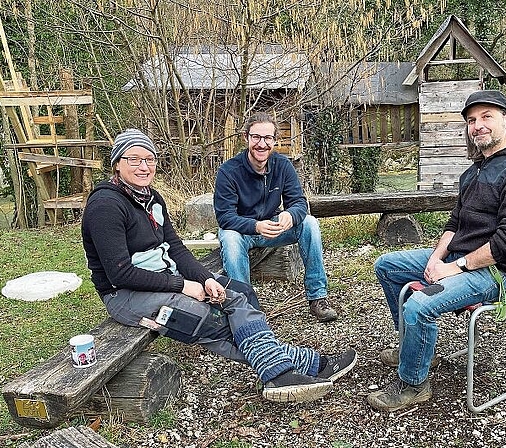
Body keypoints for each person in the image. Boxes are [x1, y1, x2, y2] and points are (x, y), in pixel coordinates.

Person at [81, 128, 357, 403]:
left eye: (150, 159)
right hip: (126, 295)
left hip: (166, 276)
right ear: (117, 163)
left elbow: (175, 248)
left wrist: (205, 279)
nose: (144, 167)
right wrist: (184, 286)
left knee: (237, 294)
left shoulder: (151, 198)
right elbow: (120, 273)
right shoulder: (106, 205)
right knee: (213, 320)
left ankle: (284, 372)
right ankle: (304, 366)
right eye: (134, 160)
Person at [368, 90, 506, 412]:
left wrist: (454, 268)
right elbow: (454, 223)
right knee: (387, 265)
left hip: (500, 273)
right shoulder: (475, 170)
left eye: (486, 117)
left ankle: (414, 383)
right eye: (471, 120)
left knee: (418, 306)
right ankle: (415, 347)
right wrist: (436, 258)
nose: (477, 125)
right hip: (461, 260)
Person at [213, 112, 337, 323]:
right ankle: (245, 308)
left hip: (272, 226)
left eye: (267, 138)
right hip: (242, 231)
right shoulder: (228, 171)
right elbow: (225, 217)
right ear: (246, 138)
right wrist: (255, 226)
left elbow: (299, 202)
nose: (262, 144)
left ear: (275, 139)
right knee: (230, 239)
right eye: (256, 137)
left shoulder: (282, 165)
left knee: (310, 223)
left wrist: (290, 214)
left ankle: (318, 297)